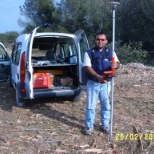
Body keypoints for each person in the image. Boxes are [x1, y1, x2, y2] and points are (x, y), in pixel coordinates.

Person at [83, 31, 120, 135]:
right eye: (98, 39)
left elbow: (118, 63)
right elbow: (87, 67)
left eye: (102, 39)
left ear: (106, 41)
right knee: (91, 106)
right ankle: (89, 126)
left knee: (106, 105)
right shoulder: (89, 53)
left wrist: (115, 65)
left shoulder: (111, 52)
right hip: (93, 83)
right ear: (95, 40)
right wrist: (98, 77)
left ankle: (105, 125)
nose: (100, 41)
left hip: (106, 84)